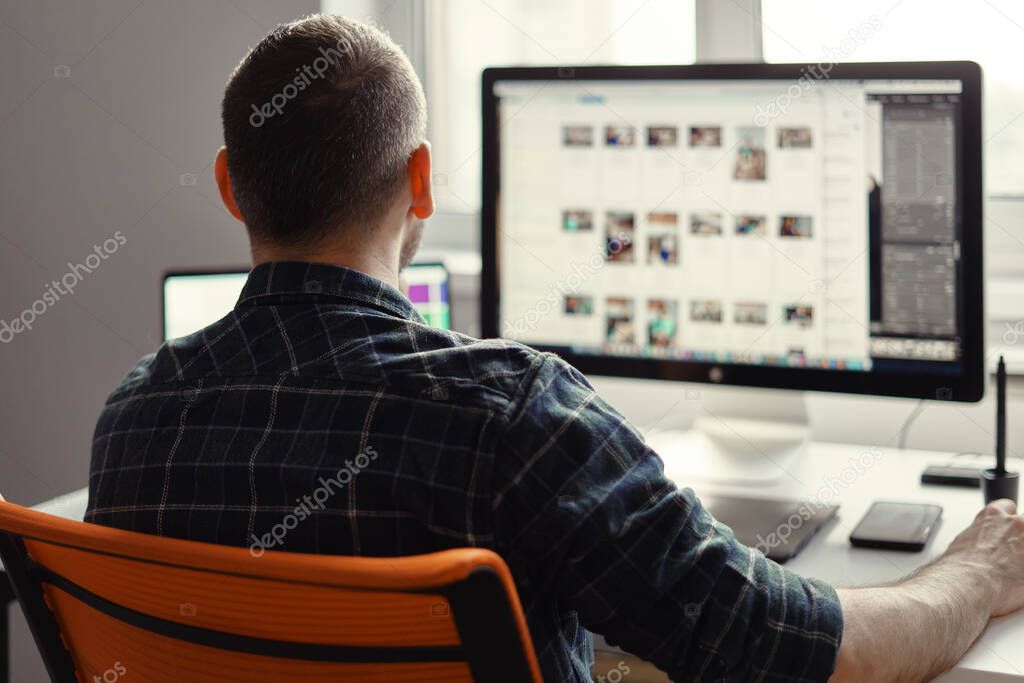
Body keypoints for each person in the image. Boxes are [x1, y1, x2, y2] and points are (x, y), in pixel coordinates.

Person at [86, 14, 1024, 682]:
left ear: (229, 187)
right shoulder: (513, 415)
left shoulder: (131, 418)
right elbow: (801, 654)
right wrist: (975, 570)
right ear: (421, 182)